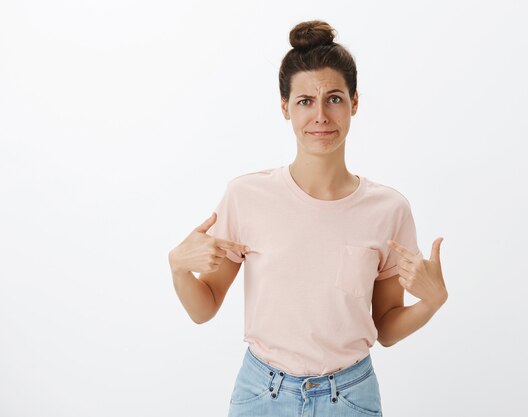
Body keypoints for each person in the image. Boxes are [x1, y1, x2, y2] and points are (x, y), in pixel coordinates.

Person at [168, 19, 448, 417]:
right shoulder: (247, 196)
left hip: (350, 397)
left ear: (354, 102)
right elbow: (204, 308)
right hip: (261, 396)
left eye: (333, 98)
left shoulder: (389, 210)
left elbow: (384, 326)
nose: (320, 115)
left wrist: (433, 301)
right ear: (285, 108)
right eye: (304, 101)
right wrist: (178, 267)